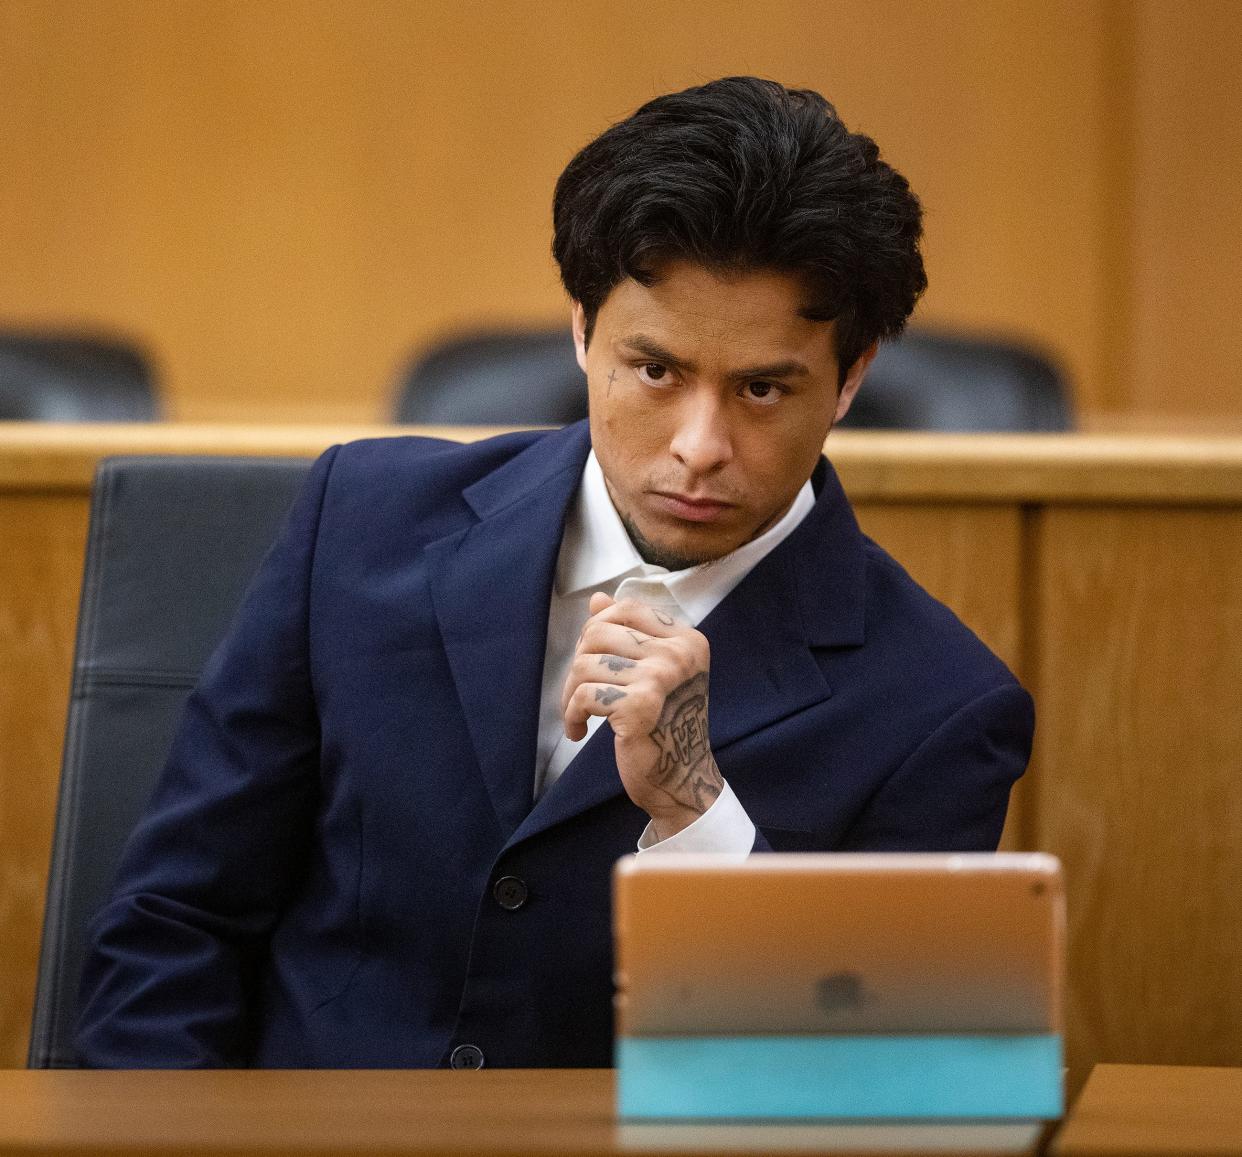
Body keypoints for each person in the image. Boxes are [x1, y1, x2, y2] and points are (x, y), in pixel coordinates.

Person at [76, 77, 1034, 1069]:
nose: (700, 446)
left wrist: (697, 811)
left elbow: (858, 1086)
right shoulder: (358, 521)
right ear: (581, 328)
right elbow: (173, 921)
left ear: (853, 376)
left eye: (761, 387)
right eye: (655, 370)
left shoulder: (942, 710)